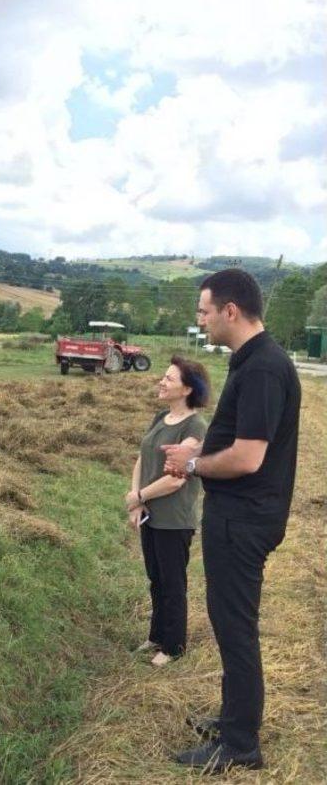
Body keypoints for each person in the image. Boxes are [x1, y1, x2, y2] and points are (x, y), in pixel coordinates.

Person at [162, 269, 301, 774]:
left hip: (243, 520)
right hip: (238, 516)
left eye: (203, 311)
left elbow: (247, 458)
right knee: (229, 621)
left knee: (235, 625)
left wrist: (193, 465)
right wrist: (203, 445)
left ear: (230, 311)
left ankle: (241, 742)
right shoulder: (254, 362)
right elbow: (240, 437)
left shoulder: (263, 367)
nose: (200, 321)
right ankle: (234, 718)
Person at [126, 356, 210, 666]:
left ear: (187, 389)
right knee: (156, 578)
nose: (162, 382)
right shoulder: (160, 417)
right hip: (150, 512)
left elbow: (176, 479)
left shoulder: (195, 426)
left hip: (174, 519)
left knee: (173, 583)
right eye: (163, 376)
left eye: (169, 379)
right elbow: (141, 457)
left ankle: (174, 646)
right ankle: (156, 635)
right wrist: (137, 499)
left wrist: (139, 496)